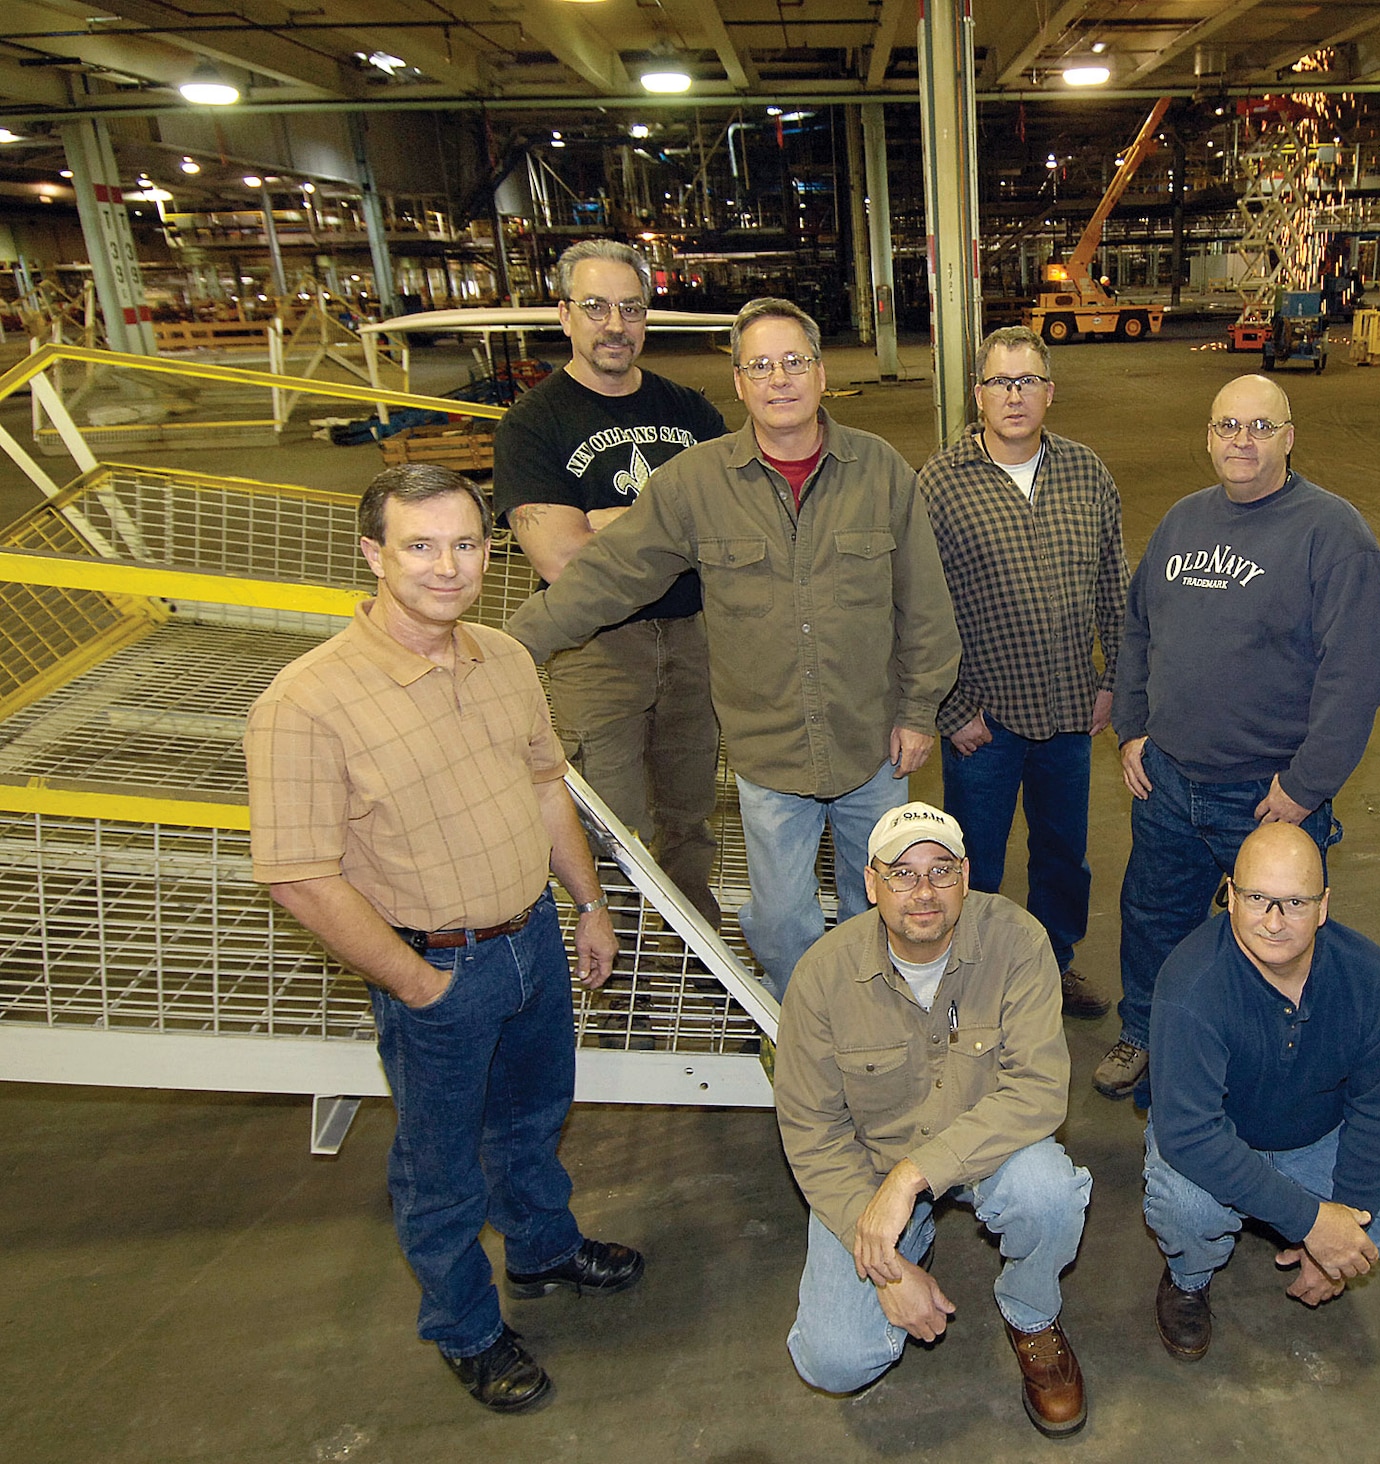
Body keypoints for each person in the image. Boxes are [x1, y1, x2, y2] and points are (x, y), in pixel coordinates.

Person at [244, 464, 643, 1413]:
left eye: (466, 543)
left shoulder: (502, 657)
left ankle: (543, 1250)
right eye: (420, 546)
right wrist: (416, 984)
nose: (447, 566)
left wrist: (586, 903)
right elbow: (299, 874)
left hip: (534, 937)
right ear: (374, 555)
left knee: (535, 1121)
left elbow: (548, 785)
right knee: (441, 1169)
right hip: (438, 964)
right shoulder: (305, 704)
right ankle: (467, 1329)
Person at [506, 298, 961, 996]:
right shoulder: (695, 483)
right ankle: (809, 1027)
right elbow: (608, 577)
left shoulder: (881, 470)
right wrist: (506, 650)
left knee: (887, 910)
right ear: (740, 384)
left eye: (793, 362)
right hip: (769, 755)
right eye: (760, 366)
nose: (779, 379)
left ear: (820, 373)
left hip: (873, 745)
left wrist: (920, 708)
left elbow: (925, 603)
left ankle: (881, 1027)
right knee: (781, 924)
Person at [1097, 373, 1380, 1101]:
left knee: (1276, 936)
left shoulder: (1333, 535)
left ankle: (1271, 1057)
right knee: (1152, 917)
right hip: (1167, 781)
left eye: (1260, 427)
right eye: (1227, 425)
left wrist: (1304, 786)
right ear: (1208, 436)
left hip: (1265, 796)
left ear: (1289, 437)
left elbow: (1355, 677)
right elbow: (1137, 629)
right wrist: (1133, 731)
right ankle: (1147, 1032)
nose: (1242, 440)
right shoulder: (1182, 522)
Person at [774, 803, 1092, 1436]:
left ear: (966, 876)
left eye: (940, 871)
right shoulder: (822, 977)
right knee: (833, 1359)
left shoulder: (1018, 942)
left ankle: (1032, 1314)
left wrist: (915, 1175)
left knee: (1049, 1192)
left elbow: (1038, 1088)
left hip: (986, 1152)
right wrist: (888, 1266)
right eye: (901, 873)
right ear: (870, 884)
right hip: (870, 1171)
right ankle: (905, 1251)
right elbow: (812, 1134)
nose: (923, 892)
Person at [1144, 824, 1380, 1360]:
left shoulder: (1375, 984)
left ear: (1324, 907)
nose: (1273, 922)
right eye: (1257, 899)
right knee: (1187, 1208)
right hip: (1221, 1140)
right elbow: (1190, 1134)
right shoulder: (1190, 986)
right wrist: (1311, 1221)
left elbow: (1378, 1113)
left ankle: (1282, 1220)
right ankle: (1189, 1274)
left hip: (1318, 1136)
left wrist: (1339, 1229)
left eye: (1294, 902)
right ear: (1229, 895)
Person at [492, 239, 728, 926]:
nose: (614, 324)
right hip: (597, 655)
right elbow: (565, 564)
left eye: (630, 307)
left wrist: (609, 522)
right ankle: (627, 990)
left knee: (690, 821)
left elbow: (731, 536)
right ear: (564, 315)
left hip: (696, 643)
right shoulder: (533, 424)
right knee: (611, 829)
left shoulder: (693, 413)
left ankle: (699, 964)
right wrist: (673, 527)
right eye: (595, 307)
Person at [916, 325, 1129, 1020]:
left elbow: (1112, 585)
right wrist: (952, 710)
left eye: (1027, 381)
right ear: (977, 395)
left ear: (1049, 392)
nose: (1014, 395)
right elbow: (919, 605)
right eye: (1000, 382)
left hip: (1070, 710)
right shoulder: (940, 483)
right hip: (985, 718)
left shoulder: (1088, 471)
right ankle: (970, 977)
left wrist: (1113, 681)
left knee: (1064, 853)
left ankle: (1053, 964)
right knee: (972, 856)